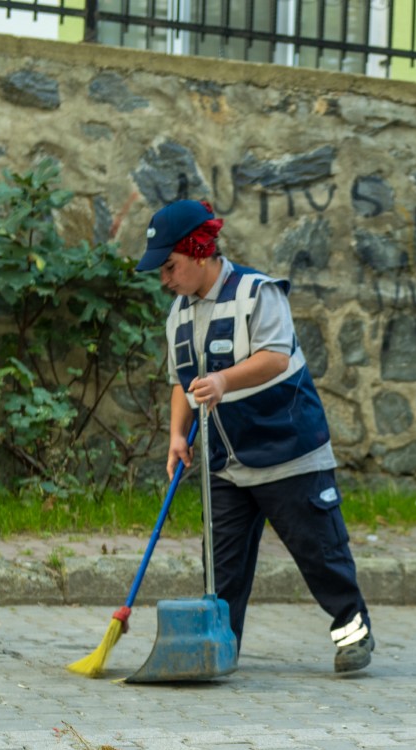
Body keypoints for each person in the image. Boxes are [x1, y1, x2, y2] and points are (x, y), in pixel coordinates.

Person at [135, 199, 375, 674]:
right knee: (220, 571)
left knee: (319, 553)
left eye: (170, 266)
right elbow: (180, 383)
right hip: (226, 462)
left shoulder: (257, 293)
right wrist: (176, 435)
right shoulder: (179, 315)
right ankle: (220, 647)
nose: (164, 279)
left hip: (288, 451)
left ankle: (353, 630)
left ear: (199, 252)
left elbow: (276, 357)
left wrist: (224, 381)